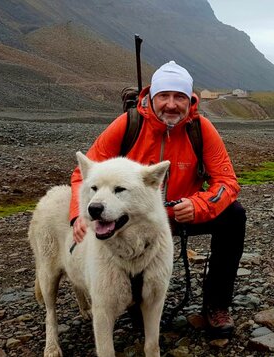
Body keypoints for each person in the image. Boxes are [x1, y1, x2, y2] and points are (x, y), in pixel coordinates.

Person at [68, 61, 246, 336]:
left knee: (234, 217)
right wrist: (77, 215)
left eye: (179, 97)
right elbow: (85, 174)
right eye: (164, 96)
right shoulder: (128, 124)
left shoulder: (201, 129)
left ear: (190, 100)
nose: (171, 105)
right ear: (152, 98)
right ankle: (132, 301)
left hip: (181, 215)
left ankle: (216, 305)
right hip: (135, 219)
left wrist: (199, 206)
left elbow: (227, 182)